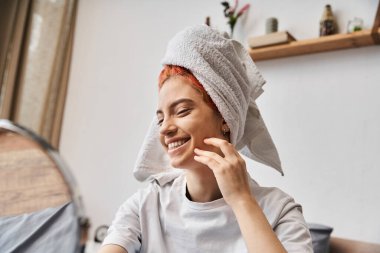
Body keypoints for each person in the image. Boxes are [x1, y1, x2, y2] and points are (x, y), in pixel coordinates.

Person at [99, 25, 313, 253]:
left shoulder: (280, 211)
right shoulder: (146, 205)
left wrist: (241, 201)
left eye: (181, 111)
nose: (165, 129)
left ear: (225, 117)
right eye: (161, 119)